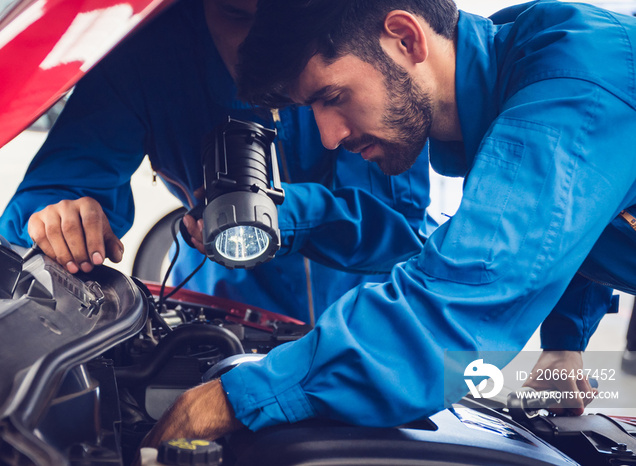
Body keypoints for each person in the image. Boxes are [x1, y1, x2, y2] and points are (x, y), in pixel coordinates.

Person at [141, 0, 634, 445]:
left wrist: (240, 397)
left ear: (406, 38)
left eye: (332, 96)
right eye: (311, 109)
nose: (329, 137)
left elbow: (457, 300)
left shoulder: (569, 90)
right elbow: (581, 208)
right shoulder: (515, 57)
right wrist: (565, 342)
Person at [0, 0, 434, 325]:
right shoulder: (148, 58)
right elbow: (57, 189)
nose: (258, 47)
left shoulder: (357, 54)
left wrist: (288, 215)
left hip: (369, 312)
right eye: (235, 14)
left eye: (274, 17)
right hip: (219, 292)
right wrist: (58, 217)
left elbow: (401, 236)